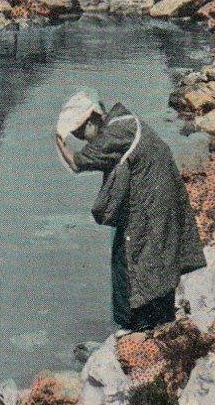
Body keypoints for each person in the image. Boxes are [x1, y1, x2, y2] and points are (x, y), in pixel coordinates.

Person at [54, 91, 205, 330]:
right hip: (160, 199)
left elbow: (77, 162)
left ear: (93, 119)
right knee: (155, 260)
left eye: (81, 132)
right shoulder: (123, 121)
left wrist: (59, 140)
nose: (82, 139)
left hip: (151, 205)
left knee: (133, 264)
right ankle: (157, 326)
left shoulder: (117, 132)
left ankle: (139, 331)